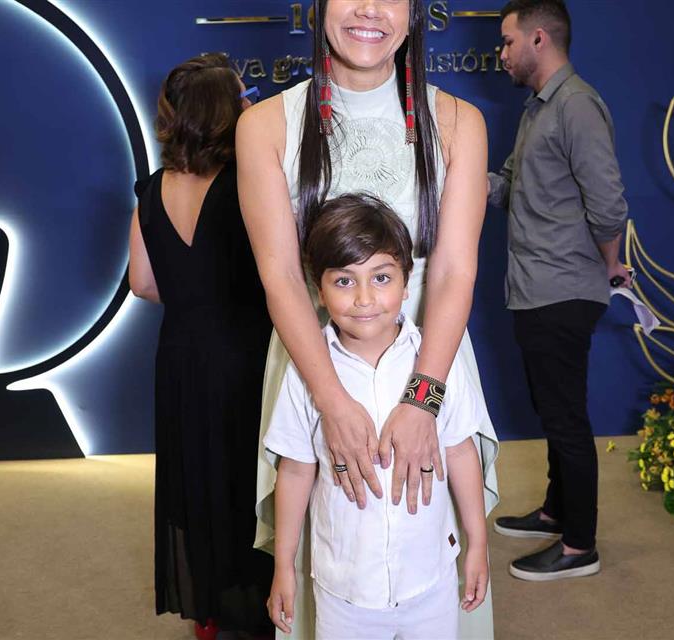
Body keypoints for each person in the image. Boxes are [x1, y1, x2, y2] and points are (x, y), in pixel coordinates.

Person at [237, 2, 498, 637]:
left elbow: (454, 270)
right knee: (331, 553)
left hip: (431, 359)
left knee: (431, 543)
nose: (369, 11)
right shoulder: (265, 126)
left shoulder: (459, 122)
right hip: (313, 364)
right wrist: (330, 400)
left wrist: (424, 399)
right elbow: (281, 275)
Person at [264, 194, 490, 639]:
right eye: (344, 281)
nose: (364, 298)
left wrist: (478, 541)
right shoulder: (306, 374)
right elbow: (294, 469)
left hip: (430, 578)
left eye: (381, 277)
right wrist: (284, 564)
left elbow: (462, 452)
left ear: (406, 284)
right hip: (345, 589)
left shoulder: (435, 364)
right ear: (319, 290)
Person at [129, 53, 273, 639]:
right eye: (243, 96)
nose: (250, 103)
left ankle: (209, 608)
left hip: (181, 354)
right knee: (248, 477)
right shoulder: (248, 184)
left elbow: (142, 282)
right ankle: (256, 607)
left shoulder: (150, 189)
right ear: (225, 112)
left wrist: (193, 296)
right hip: (245, 351)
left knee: (196, 476)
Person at [487, 0, 630, 581]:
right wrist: (457, 171)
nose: (501, 54)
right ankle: (555, 511)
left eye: (507, 41)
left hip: (562, 289)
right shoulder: (537, 109)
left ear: (539, 39)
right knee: (552, 409)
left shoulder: (576, 105)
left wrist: (611, 266)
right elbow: (511, 189)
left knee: (566, 417)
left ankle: (578, 546)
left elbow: (609, 203)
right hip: (535, 287)